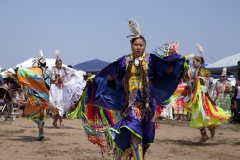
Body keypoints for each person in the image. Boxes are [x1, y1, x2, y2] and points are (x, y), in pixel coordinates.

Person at [70, 18, 189, 160]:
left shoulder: (152, 59)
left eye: (141, 45)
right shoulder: (124, 61)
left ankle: (127, 153)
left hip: (148, 102)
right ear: (131, 46)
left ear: (145, 46)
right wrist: (95, 80)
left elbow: (167, 68)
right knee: (133, 128)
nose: (138, 47)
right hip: (130, 103)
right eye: (136, 45)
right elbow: (112, 76)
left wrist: (181, 63)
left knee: (147, 133)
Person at [181, 43, 230, 143]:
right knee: (197, 114)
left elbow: (208, 82)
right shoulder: (196, 71)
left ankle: (212, 127)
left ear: (200, 61)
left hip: (203, 97)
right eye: (193, 61)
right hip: (196, 96)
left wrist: (198, 82)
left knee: (206, 113)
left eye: (194, 61)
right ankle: (204, 135)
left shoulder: (203, 70)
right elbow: (196, 82)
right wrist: (191, 84)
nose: (193, 63)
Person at [7, 50, 51, 140]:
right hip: (45, 97)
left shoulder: (32, 71)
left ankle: (39, 123)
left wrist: (16, 71)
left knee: (27, 112)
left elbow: (21, 74)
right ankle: (41, 133)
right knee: (41, 114)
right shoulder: (47, 72)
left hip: (36, 97)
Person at [49, 51, 77, 127]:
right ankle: (60, 121)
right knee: (56, 104)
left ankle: (56, 121)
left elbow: (70, 73)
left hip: (61, 88)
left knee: (61, 104)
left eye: (61, 64)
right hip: (54, 88)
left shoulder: (64, 69)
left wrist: (76, 74)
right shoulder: (51, 69)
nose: (60, 65)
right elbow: (48, 78)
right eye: (58, 64)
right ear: (55, 64)